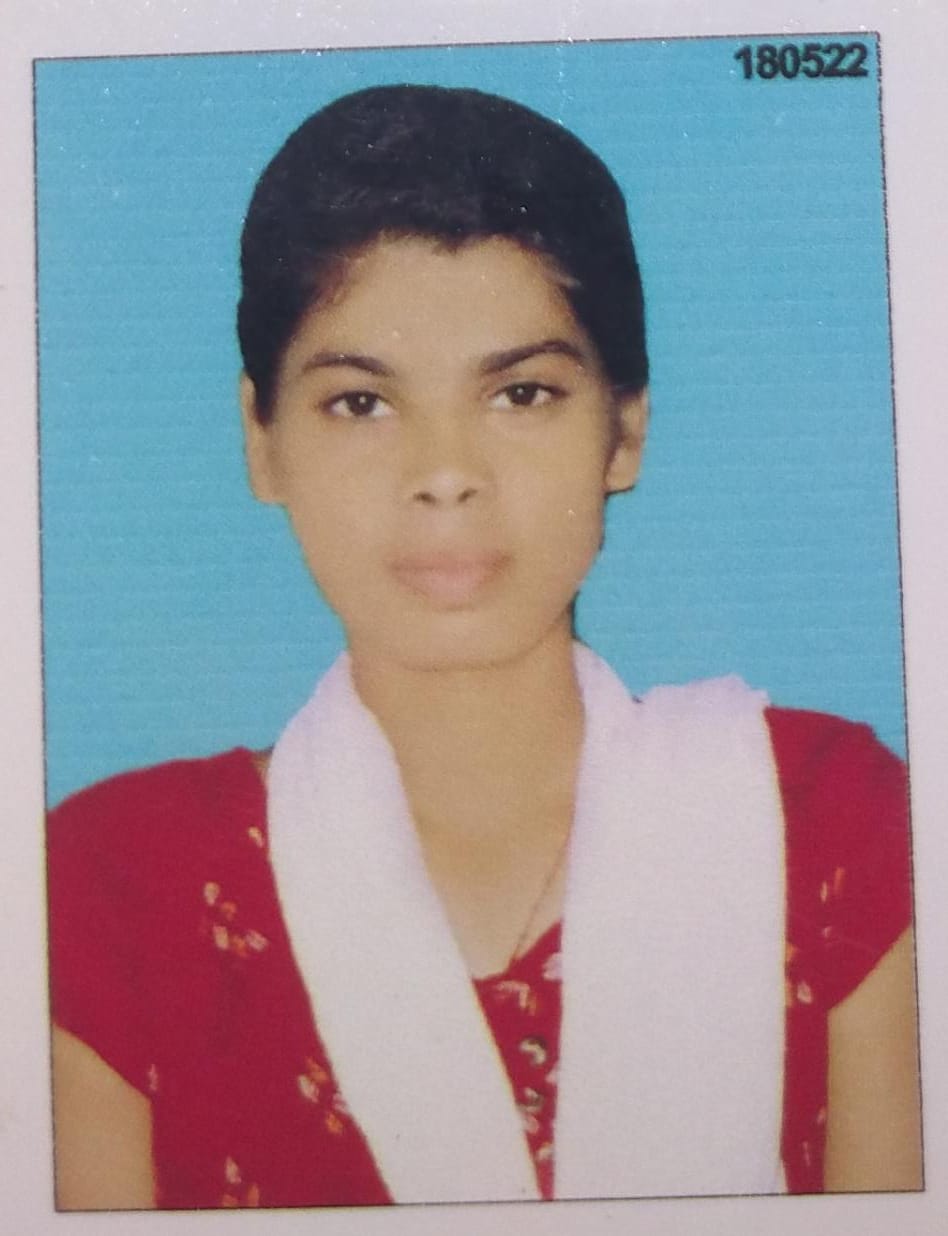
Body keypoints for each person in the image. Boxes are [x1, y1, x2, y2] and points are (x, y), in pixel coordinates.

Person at [47, 83, 921, 1210]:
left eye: (521, 392)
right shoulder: (114, 893)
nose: (446, 473)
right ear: (261, 443)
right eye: (361, 403)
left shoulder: (834, 826)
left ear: (625, 429)